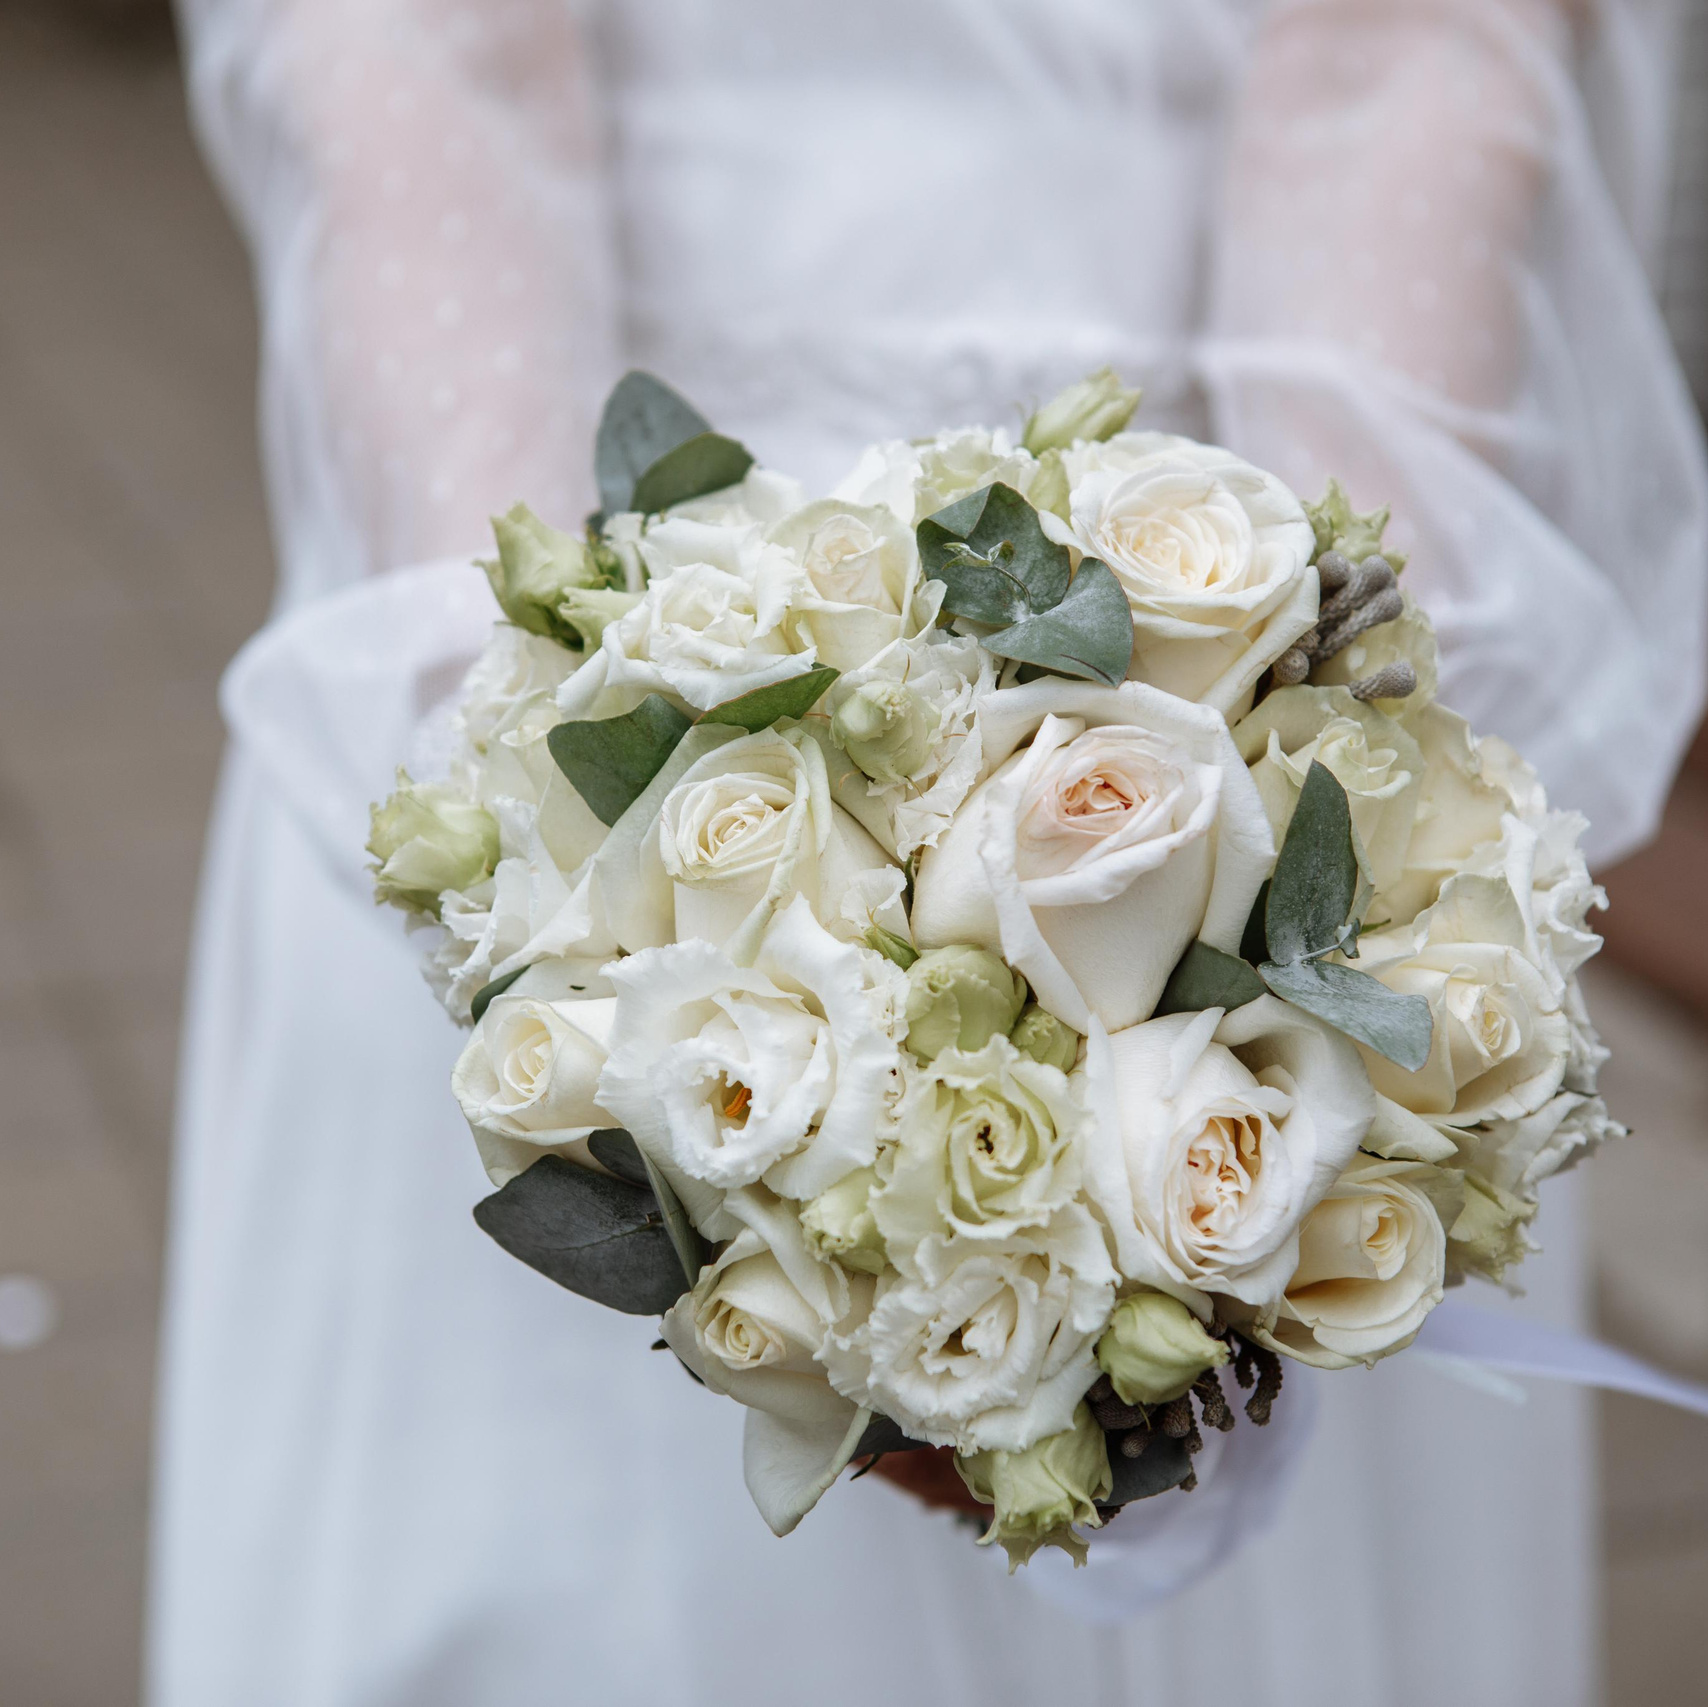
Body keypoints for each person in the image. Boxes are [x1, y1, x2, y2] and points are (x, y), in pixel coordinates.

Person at [151, 2, 1707, 1702]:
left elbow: (1404, 55)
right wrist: (541, 775)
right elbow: (417, 70)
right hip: (596, 598)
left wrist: (1317, 740)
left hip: (1195, 594)